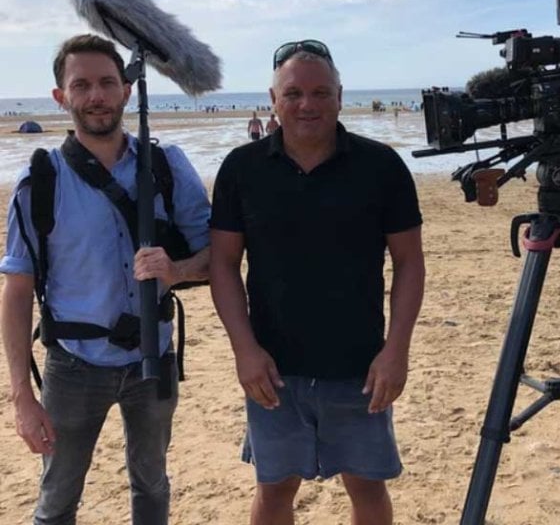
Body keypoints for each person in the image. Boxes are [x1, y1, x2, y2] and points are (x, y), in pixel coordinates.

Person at [209, 39, 425, 525]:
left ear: (340, 96)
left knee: (367, 487)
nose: (307, 104)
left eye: (321, 92)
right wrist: (244, 350)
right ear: (273, 98)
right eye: (294, 93)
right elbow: (224, 264)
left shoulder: (381, 166)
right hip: (272, 368)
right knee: (274, 488)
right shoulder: (242, 170)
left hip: (360, 364)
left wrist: (397, 350)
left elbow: (409, 262)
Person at [0, 34, 211, 525]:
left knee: (152, 485)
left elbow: (218, 256)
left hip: (152, 356)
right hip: (73, 366)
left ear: (125, 91)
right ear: (60, 96)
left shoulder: (166, 166)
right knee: (56, 499)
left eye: (106, 83)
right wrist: (21, 396)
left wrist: (175, 271)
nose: (96, 95)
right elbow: (16, 288)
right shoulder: (40, 182)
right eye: (82, 85)